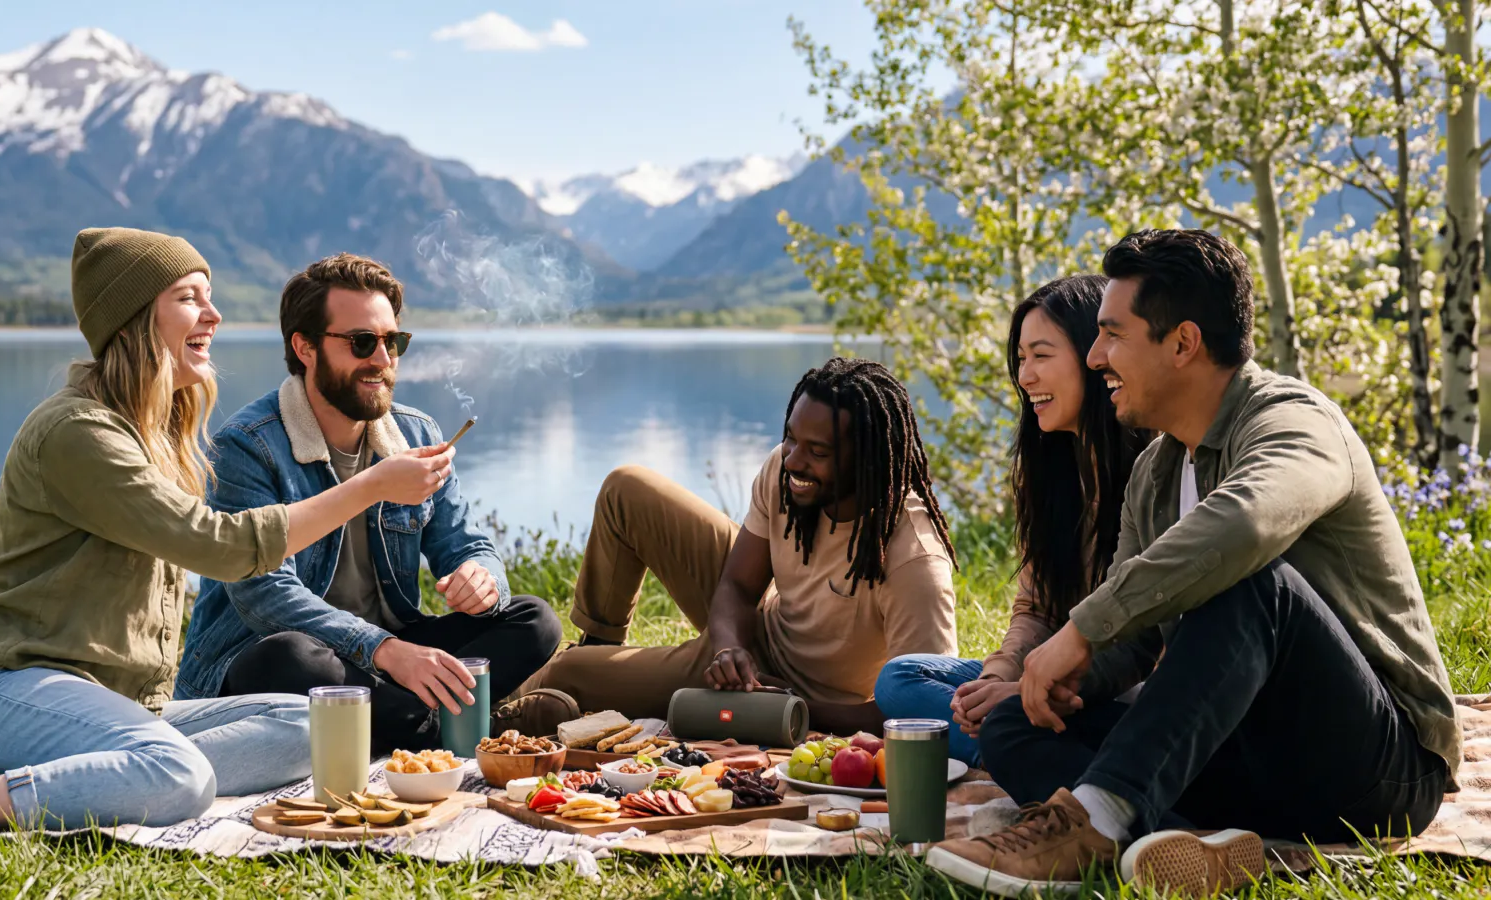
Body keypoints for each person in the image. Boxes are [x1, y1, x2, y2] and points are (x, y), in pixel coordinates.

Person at [927, 229, 1460, 896]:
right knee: (1014, 721)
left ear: (1182, 344)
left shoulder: (1295, 423)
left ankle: (1095, 823)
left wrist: (1081, 629)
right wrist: (1070, 681)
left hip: (1377, 771)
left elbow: (1246, 523)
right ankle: (1190, 846)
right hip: (1243, 759)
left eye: (1113, 336)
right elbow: (1134, 645)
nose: (1096, 358)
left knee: (1256, 583)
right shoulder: (1155, 471)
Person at [0, 228, 454, 834]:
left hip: (124, 707)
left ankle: (53, 779)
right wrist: (370, 485)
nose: (213, 314)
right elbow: (220, 546)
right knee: (180, 776)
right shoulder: (79, 432)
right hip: (9, 693)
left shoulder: (153, 429)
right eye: (190, 297)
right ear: (135, 317)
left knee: (315, 727)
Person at [176, 253, 570, 753]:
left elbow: (465, 541)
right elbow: (265, 598)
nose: (383, 360)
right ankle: (454, 724)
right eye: (362, 342)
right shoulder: (247, 446)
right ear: (305, 347)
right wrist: (383, 649)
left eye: (393, 341)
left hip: (389, 657)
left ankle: (407, 720)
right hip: (281, 656)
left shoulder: (415, 433)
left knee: (533, 620)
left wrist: (482, 577)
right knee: (291, 658)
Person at [510, 356, 959, 736]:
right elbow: (739, 586)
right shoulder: (788, 473)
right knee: (627, 489)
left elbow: (922, 711)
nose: (793, 460)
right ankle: (600, 651)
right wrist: (728, 647)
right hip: (752, 633)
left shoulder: (913, 560)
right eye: (790, 437)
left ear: (867, 461)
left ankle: (514, 706)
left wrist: (794, 705)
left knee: (569, 672)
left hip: (787, 690)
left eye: (817, 452)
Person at [874, 275, 1151, 765]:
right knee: (901, 679)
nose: (1025, 377)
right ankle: (1016, 746)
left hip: (1123, 690)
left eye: (1041, 356)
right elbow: (1036, 610)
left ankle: (1015, 749)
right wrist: (1000, 676)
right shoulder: (1049, 474)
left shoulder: (1153, 470)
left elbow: (1144, 647)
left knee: (989, 714)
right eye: (1021, 359)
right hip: (1044, 683)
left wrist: (1028, 689)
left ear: (1095, 357)